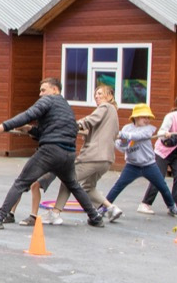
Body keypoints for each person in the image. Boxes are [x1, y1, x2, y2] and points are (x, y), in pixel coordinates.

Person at [0, 77, 106, 229]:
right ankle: (95, 217)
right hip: (68, 154)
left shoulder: (49, 100)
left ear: (55, 90)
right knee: (73, 185)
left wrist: (4, 126)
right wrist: (29, 129)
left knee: (21, 182)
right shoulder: (67, 108)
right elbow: (53, 132)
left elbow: (29, 114)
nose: (40, 94)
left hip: (50, 151)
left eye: (43, 90)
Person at [40, 83, 121, 225]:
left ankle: (55, 213)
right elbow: (97, 132)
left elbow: (90, 120)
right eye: (96, 94)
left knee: (68, 180)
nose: (97, 96)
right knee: (88, 187)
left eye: (100, 94)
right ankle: (111, 208)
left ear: (110, 96)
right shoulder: (113, 113)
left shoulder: (105, 107)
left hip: (93, 156)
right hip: (106, 160)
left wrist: (70, 125)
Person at [102, 104, 177, 219]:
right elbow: (122, 147)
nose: (147, 120)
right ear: (136, 117)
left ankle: (172, 206)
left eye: (148, 118)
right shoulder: (127, 128)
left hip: (149, 165)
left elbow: (140, 136)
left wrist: (122, 135)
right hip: (132, 166)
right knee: (118, 186)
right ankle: (103, 208)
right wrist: (122, 141)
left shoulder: (149, 129)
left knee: (162, 186)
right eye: (144, 117)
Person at [138, 92, 177, 214]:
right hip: (163, 150)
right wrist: (166, 134)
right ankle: (145, 203)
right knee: (158, 176)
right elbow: (161, 133)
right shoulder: (171, 116)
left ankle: (174, 205)